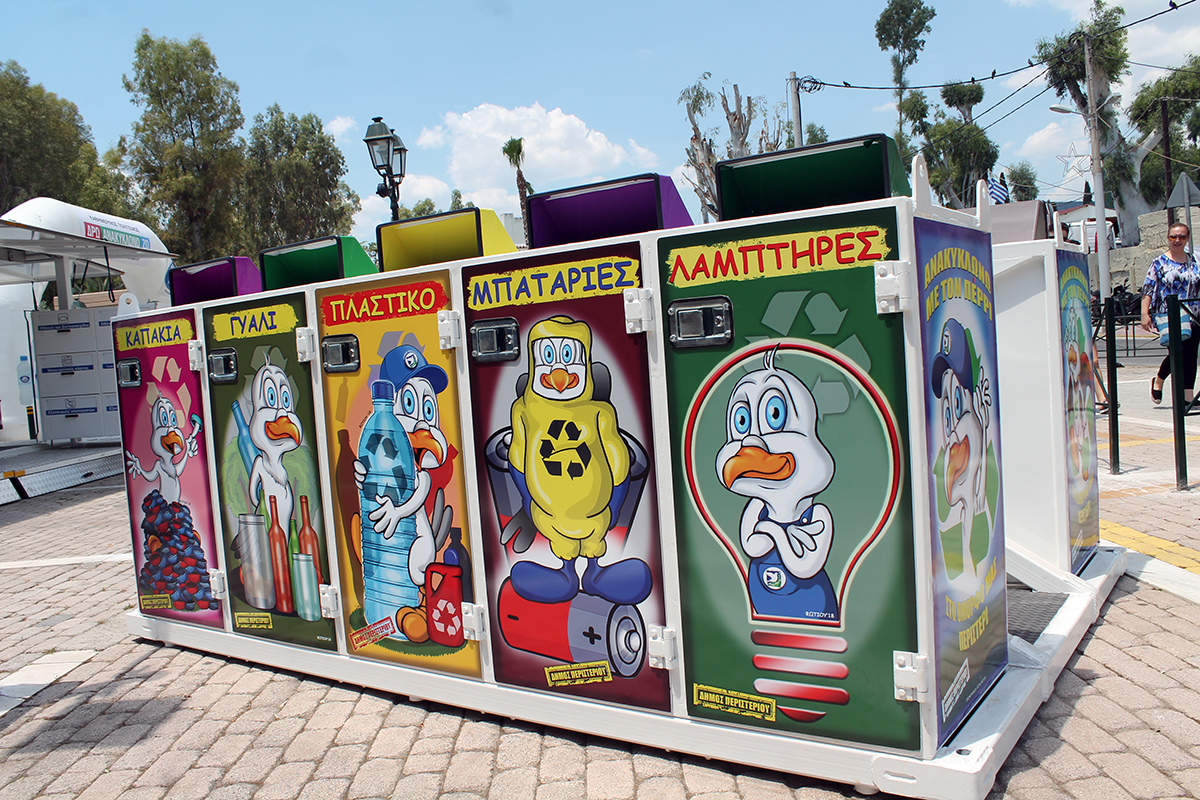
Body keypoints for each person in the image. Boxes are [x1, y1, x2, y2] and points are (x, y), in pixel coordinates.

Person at [1141, 222, 1200, 404]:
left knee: (1191, 355)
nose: (1177, 240)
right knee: (1178, 352)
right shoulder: (1159, 262)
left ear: (1187, 239)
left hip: (1194, 314)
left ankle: (1187, 398)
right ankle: (1159, 380)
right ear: (1168, 238)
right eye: (1173, 236)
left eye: (1182, 236)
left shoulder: (1194, 261)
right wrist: (1144, 313)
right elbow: (1148, 288)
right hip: (1170, 314)